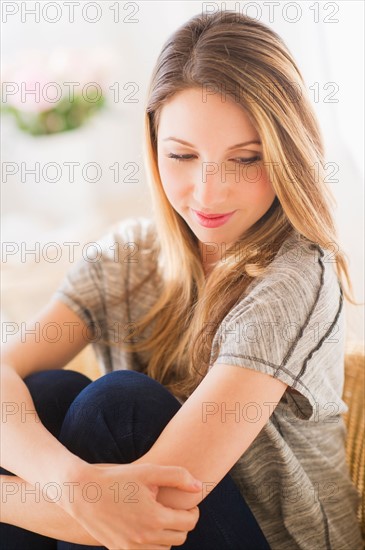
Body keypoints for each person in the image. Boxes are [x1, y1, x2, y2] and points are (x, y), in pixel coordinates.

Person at [1, 9, 363, 550]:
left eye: (245, 159)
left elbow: (149, 515)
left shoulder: (296, 277)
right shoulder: (125, 257)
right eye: (182, 156)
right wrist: (71, 483)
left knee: (118, 405)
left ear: (287, 154)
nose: (209, 192)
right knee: (45, 392)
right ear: (152, 147)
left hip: (267, 539)